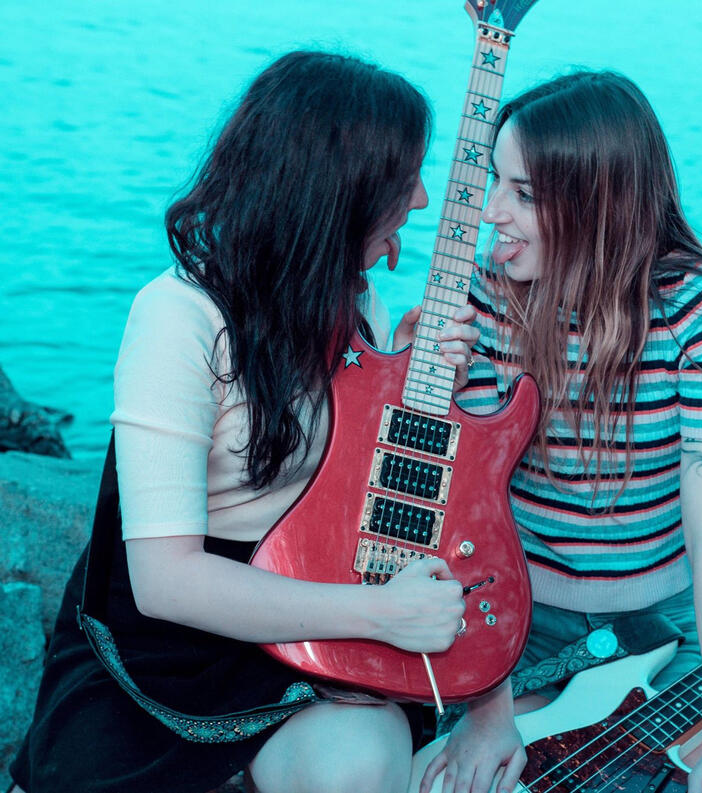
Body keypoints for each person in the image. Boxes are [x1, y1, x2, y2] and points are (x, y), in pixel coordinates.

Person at [9, 50, 480, 793]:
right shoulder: (178, 316)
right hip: (163, 644)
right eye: (405, 177)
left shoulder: (359, 305)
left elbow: (350, 499)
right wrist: (378, 612)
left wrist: (411, 390)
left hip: (300, 604)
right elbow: (166, 582)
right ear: (336, 192)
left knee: (364, 757)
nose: (421, 200)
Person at [423, 69, 702, 793]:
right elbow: (469, 517)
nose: (491, 212)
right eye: (495, 181)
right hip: (513, 617)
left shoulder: (701, 311)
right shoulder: (489, 293)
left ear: (597, 202)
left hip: (662, 623)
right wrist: (487, 712)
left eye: (523, 194)